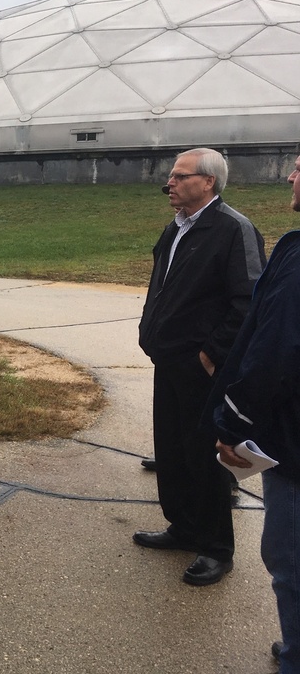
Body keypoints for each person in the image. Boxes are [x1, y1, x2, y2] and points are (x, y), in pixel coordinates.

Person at [135, 147, 265, 586]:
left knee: (203, 457)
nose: (168, 183)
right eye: (170, 177)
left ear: (208, 182)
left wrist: (211, 355)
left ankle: (215, 548)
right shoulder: (176, 228)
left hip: (202, 368)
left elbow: (247, 300)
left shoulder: (232, 229)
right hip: (168, 360)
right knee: (171, 449)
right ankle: (183, 526)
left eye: (178, 176)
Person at [213, 152, 300, 672]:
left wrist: (233, 425)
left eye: (299, 168)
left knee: (290, 559)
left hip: (291, 440)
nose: (291, 176)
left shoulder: (294, 254)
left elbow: (272, 350)